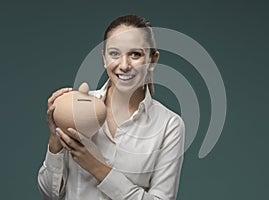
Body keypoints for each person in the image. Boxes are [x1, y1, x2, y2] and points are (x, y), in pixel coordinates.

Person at [38, 14, 185, 200]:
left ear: (153, 60)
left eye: (135, 54)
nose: (124, 65)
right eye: (114, 53)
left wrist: (97, 167)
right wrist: (55, 141)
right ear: (104, 58)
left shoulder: (168, 125)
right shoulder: (76, 109)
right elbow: (49, 194)